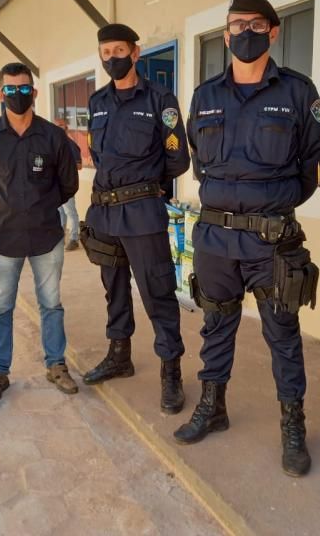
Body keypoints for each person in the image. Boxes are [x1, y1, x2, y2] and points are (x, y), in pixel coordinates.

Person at [174, 0, 320, 481]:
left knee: (282, 334)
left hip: (272, 241)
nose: (246, 32)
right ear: (225, 34)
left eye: (256, 24)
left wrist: (267, 211)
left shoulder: (299, 92)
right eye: (237, 24)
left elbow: (309, 170)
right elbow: (200, 161)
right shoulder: (205, 96)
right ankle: (213, 407)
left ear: (273, 32)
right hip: (216, 239)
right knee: (216, 327)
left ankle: (292, 426)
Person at [79, 23, 191, 414]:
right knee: (115, 290)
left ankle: (171, 371)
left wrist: (144, 187)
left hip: (143, 212)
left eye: (119, 50)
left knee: (157, 293)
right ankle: (119, 355)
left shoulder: (160, 99)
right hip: (105, 212)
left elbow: (178, 159)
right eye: (106, 52)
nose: (113, 58)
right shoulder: (97, 102)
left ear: (136, 52)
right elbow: (97, 155)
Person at [0, 63, 79, 401]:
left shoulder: (52, 136)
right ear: (0, 94)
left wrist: (40, 207)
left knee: (51, 304)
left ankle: (56, 364)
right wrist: (8, 208)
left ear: (33, 92)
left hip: (46, 236)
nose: (17, 95)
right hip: (3, 239)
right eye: (10, 90)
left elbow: (68, 184)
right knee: (1, 307)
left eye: (23, 89)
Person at [55, 118, 83, 251]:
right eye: (57, 126)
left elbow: (79, 165)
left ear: (66, 128)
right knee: (60, 212)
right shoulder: (54, 144)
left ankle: (74, 239)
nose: (59, 129)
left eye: (62, 126)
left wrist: (64, 166)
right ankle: (61, 238)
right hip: (55, 186)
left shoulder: (70, 145)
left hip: (66, 185)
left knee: (70, 211)